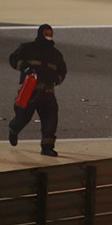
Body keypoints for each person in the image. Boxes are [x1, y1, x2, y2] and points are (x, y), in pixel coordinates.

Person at [8, 24, 67, 156]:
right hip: (29, 90)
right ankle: (13, 129)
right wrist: (25, 68)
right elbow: (13, 59)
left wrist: (56, 80)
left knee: (50, 119)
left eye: (50, 33)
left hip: (47, 92)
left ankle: (47, 147)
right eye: (46, 33)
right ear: (40, 33)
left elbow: (62, 71)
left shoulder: (56, 55)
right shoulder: (27, 48)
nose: (48, 36)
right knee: (22, 117)